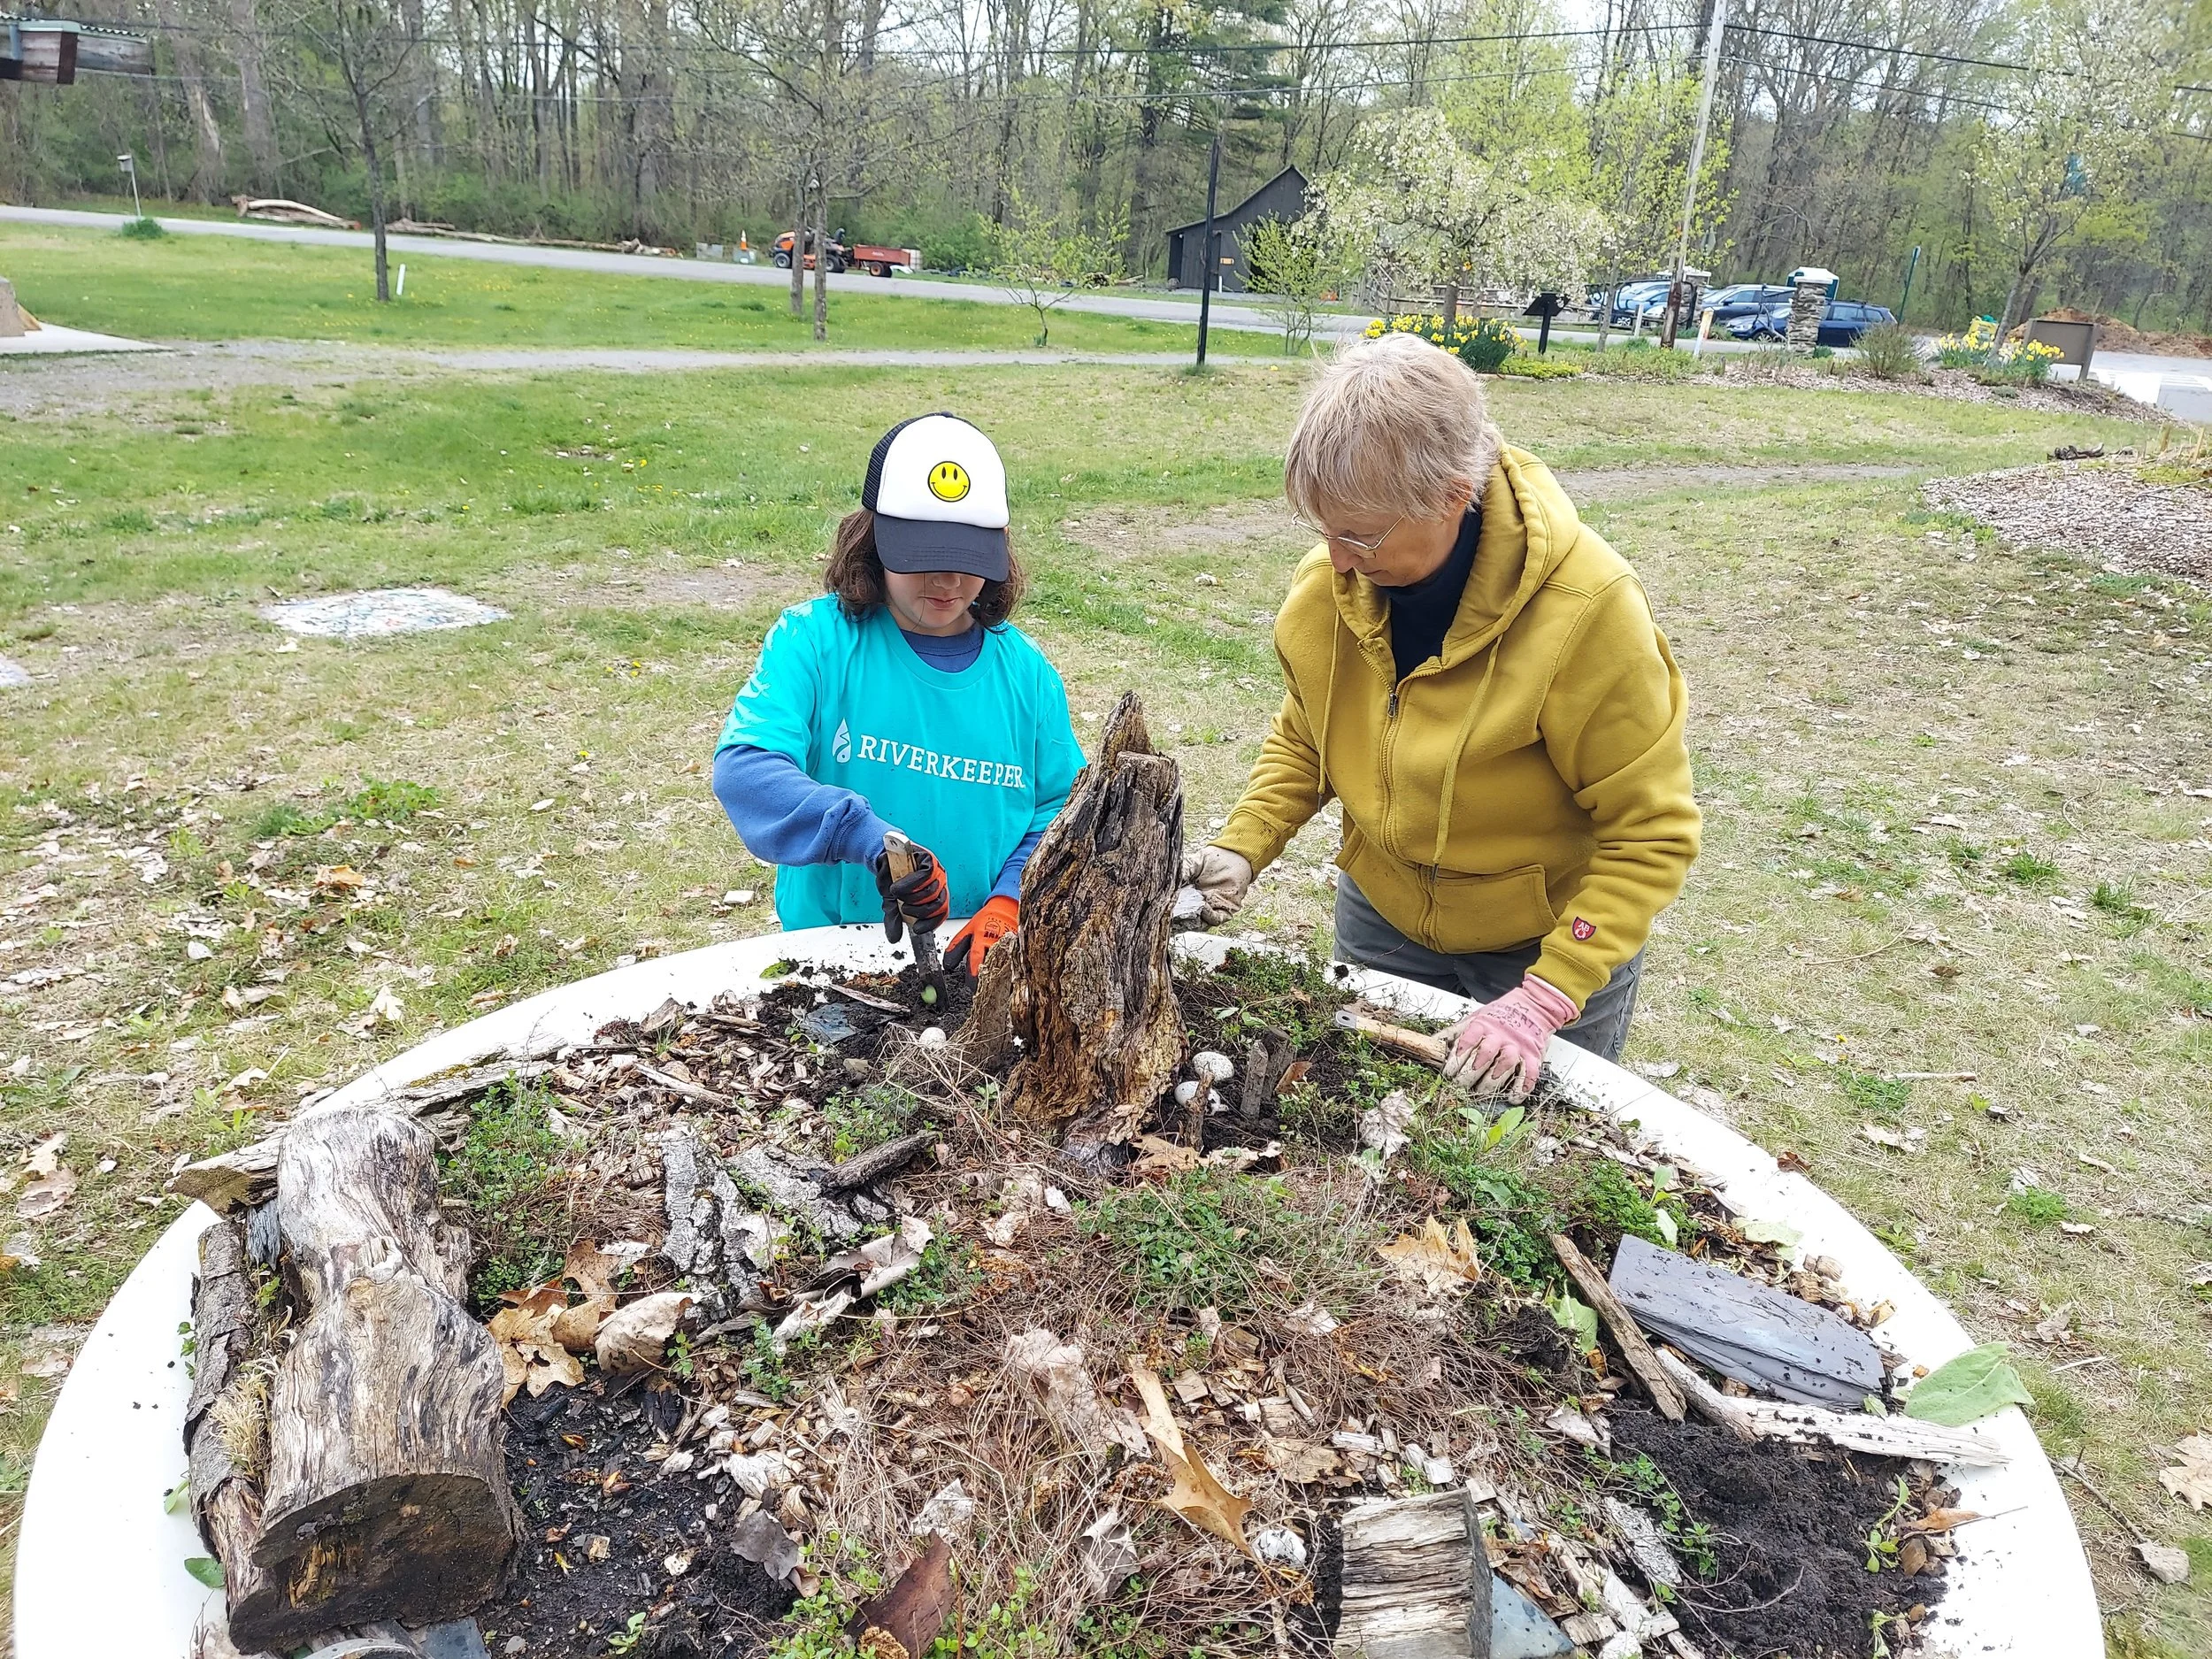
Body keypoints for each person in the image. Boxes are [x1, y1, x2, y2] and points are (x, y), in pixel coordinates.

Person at [1182, 333, 1700, 1098]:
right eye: (1324, 529)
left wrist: (1544, 997)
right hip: (1384, 916)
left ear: (1454, 495)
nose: (1338, 558)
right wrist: (1245, 845)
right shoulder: (1331, 588)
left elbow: (1651, 831)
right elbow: (1309, 732)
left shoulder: (1588, 614)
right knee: (1367, 1124)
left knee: (1513, 1164)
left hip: (1539, 946)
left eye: (1360, 534)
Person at [712, 412, 1085, 972]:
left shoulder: (1027, 676)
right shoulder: (815, 643)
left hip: (974, 951)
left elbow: (1061, 806)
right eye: (925, 559)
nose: (948, 583)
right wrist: (863, 835)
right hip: (832, 953)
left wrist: (1011, 900)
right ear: (874, 540)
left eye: (967, 561)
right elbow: (745, 770)